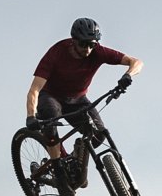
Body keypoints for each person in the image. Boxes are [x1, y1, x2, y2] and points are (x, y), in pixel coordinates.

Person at [25, 17, 143, 186]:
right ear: (74, 41)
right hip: (51, 96)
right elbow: (34, 90)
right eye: (83, 44)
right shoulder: (57, 53)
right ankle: (58, 169)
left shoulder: (98, 52)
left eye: (92, 44)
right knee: (50, 120)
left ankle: (74, 159)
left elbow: (136, 62)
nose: (88, 49)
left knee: (100, 134)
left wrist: (128, 75)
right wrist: (30, 116)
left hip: (78, 99)